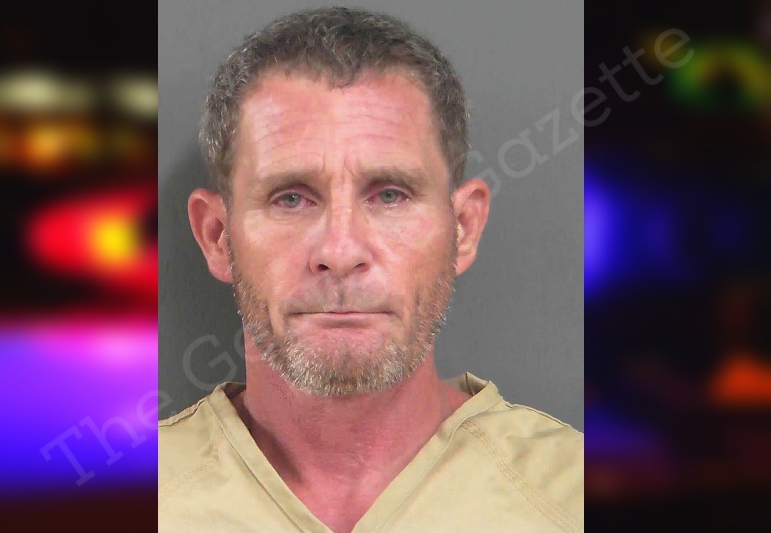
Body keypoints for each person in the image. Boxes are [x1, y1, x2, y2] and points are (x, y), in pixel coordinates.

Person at [159, 6, 582, 533]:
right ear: (217, 236)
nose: (340, 251)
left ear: (464, 228)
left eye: (390, 195)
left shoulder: (575, 495)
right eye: (291, 198)